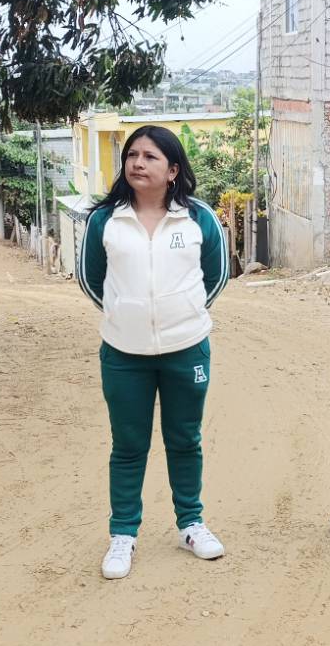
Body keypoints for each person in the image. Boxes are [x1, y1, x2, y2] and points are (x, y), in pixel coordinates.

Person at [77, 125, 229, 581]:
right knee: (128, 445)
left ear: (173, 170)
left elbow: (216, 276)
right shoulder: (104, 220)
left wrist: (183, 316)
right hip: (124, 354)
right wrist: (126, 316)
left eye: (150, 157)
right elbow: (90, 279)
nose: (138, 163)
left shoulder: (198, 218)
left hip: (187, 351)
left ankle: (191, 524)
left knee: (185, 440)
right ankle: (123, 534)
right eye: (132, 155)